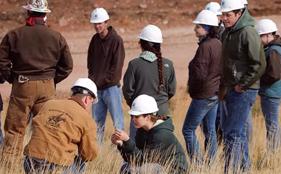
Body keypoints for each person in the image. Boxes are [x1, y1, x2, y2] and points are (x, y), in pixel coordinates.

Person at [0, 0, 73, 158]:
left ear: (28, 13)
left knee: (15, 130)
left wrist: (12, 78)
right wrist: (51, 80)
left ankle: (9, 168)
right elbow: (67, 66)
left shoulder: (14, 35)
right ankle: (43, 166)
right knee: (47, 129)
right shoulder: (57, 36)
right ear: (45, 14)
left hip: (22, 85)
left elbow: (2, 61)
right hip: (47, 86)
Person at [219, 0, 266, 173]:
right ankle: (244, 169)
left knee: (232, 133)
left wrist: (242, 85)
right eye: (223, 15)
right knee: (237, 133)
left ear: (239, 13)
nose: (224, 18)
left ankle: (231, 170)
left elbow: (259, 64)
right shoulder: (228, 33)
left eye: (228, 15)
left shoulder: (248, 32)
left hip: (243, 90)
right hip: (231, 89)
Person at [23, 78, 99, 174]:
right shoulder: (86, 119)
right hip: (55, 167)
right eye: (92, 103)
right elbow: (89, 155)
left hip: (30, 162)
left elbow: (35, 126)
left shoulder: (49, 104)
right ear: (87, 99)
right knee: (81, 162)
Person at [182, 10, 222, 165]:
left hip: (204, 95)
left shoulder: (205, 47)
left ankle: (197, 164)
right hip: (215, 93)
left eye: (198, 26)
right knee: (210, 130)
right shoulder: (218, 43)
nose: (195, 29)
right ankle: (210, 164)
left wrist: (193, 91)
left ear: (206, 27)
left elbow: (200, 74)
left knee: (188, 130)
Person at [123, 24, 176, 139]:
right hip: (162, 115)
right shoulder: (168, 64)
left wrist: (136, 105)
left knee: (136, 150)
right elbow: (171, 91)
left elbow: (127, 91)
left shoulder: (134, 65)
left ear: (141, 43)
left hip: (140, 115)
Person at [111, 95, 188, 174]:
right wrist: (121, 144)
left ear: (147, 117)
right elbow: (133, 158)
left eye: (136, 116)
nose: (133, 119)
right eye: (132, 116)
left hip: (174, 170)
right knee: (126, 167)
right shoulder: (142, 130)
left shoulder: (161, 135)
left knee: (144, 169)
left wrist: (127, 140)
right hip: (157, 165)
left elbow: (142, 160)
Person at [87, 7, 125, 142]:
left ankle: (120, 155)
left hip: (112, 89)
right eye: (95, 23)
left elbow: (117, 69)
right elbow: (90, 63)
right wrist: (92, 83)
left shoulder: (116, 40)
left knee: (118, 125)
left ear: (106, 22)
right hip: (96, 90)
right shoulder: (94, 40)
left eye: (100, 23)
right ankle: (98, 155)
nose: (97, 26)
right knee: (96, 125)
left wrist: (100, 82)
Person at [256, 19, 281, 153]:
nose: (259, 39)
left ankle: (274, 154)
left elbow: (274, 75)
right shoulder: (273, 48)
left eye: (260, 36)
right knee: (273, 124)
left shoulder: (273, 50)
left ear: (268, 35)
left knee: (272, 125)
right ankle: (276, 152)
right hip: (272, 92)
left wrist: (257, 81)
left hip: (271, 92)